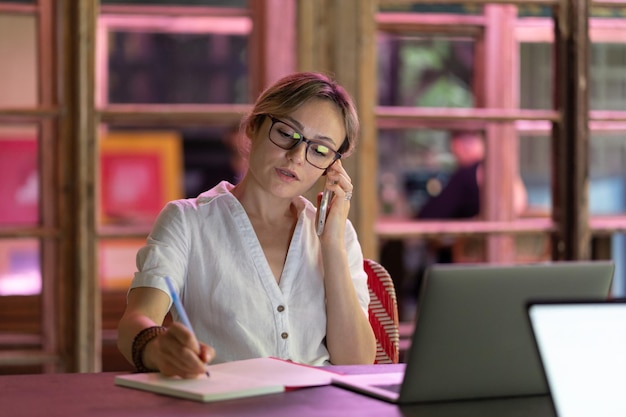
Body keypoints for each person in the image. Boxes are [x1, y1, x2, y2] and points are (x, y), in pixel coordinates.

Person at [117, 72, 377, 379]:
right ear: (254, 126)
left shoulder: (338, 234)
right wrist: (159, 348)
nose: (296, 156)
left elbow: (356, 362)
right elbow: (136, 321)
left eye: (319, 150)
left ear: (332, 165)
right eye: (286, 134)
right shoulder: (187, 222)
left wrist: (331, 243)